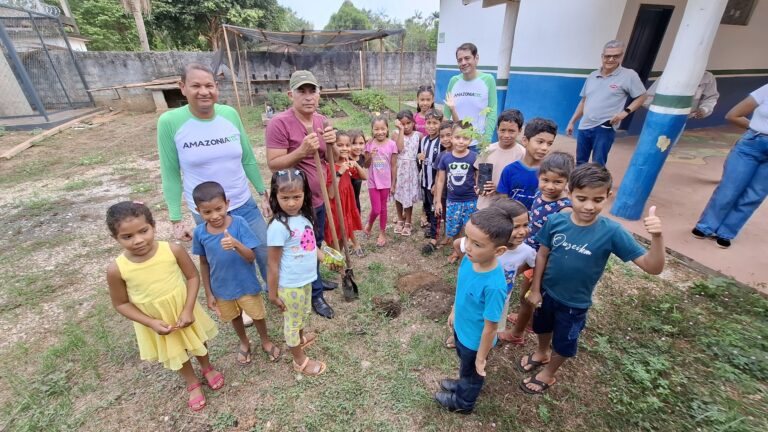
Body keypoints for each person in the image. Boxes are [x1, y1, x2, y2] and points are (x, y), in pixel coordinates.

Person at [520, 164, 664, 394]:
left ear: (608, 196)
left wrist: (657, 237)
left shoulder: (612, 232)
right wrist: (536, 288)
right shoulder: (556, 221)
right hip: (547, 292)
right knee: (542, 326)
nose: (589, 206)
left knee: (565, 343)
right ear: (569, 193)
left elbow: (652, 267)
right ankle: (541, 352)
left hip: (574, 303)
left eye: (597, 200)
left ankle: (548, 374)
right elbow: (543, 253)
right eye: (581, 198)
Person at [158, 63, 271, 326]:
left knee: (265, 250)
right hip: (207, 213)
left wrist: (264, 193)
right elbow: (170, 173)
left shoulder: (229, 114)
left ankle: (274, 292)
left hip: (242, 203)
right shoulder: (170, 122)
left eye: (209, 85)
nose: (203, 91)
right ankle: (239, 303)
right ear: (182, 87)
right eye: (196, 85)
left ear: (216, 88)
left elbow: (248, 159)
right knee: (225, 261)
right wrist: (176, 218)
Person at [105, 201, 221, 412]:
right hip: (156, 319)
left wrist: (188, 309)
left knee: (198, 340)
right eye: (127, 237)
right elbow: (121, 303)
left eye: (143, 231)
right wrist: (149, 322)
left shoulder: (172, 250)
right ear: (116, 238)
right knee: (174, 350)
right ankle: (191, 382)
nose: (138, 240)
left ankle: (207, 367)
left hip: (183, 307)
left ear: (153, 226)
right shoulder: (117, 269)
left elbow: (193, 277)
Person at [265, 70, 339, 319]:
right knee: (301, 246)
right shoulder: (279, 123)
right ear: (290, 94)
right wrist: (301, 151)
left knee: (315, 241)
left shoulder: (322, 121)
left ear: (319, 94)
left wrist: (333, 144)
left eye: (312, 91)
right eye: (301, 91)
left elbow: (334, 159)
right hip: (294, 202)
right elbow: (274, 164)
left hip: (318, 200)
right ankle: (315, 293)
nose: (308, 97)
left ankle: (316, 278)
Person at [434, 206, 516, 414]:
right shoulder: (470, 261)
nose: (468, 247)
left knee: (473, 373)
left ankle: (463, 403)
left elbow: (491, 328)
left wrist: (481, 357)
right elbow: (461, 288)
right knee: (465, 365)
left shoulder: (495, 286)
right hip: (462, 329)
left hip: (476, 342)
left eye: (477, 244)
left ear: (499, 251)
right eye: (467, 239)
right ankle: (464, 380)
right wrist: (454, 310)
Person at [191, 182, 281, 365]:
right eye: (207, 212)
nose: (215, 216)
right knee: (234, 317)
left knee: (257, 314)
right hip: (221, 288)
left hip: (246, 284)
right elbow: (204, 263)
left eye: (219, 208)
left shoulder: (239, 223)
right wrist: (209, 292)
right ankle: (244, 342)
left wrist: (236, 244)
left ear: (227, 203)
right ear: (198, 211)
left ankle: (265, 340)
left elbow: (251, 257)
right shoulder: (200, 233)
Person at [448, 198, 536, 348]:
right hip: (473, 295)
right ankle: (459, 337)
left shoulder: (526, 251)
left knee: (492, 324)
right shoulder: (480, 243)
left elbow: (534, 264)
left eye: (526, 225)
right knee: (467, 316)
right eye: (516, 227)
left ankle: (485, 345)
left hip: (500, 300)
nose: (522, 231)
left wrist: (516, 272)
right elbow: (457, 244)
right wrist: (470, 261)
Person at [507, 151, 574, 341]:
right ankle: (526, 321)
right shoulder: (539, 193)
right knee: (522, 291)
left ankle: (517, 333)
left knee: (527, 296)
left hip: (542, 259)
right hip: (528, 250)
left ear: (567, 182)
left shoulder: (565, 209)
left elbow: (560, 243)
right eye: (545, 180)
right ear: (539, 177)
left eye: (558, 182)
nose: (550, 186)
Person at [266, 169, 328, 376]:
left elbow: (311, 246)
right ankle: (299, 359)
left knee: (301, 314)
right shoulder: (278, 227)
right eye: (285, 198)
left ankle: (300, 340)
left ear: (305, 195)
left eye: (296, 197)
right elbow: (272, 264)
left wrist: (326, 258)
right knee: (292, 322)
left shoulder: (304, 218)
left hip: (306, 280)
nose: (291, 203)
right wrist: (273, 294)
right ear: (275, 197)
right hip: (289, 285)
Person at [692, 84, 768, 249]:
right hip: (751, 146)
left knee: (755, 195)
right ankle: (706, 226)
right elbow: (733, 115)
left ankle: (727, 233)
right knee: (730, 188)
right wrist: (758, 130)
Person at [566, 40, 647, 166]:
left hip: (604, 127)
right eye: (608, 56)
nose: (611, 59)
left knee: (598, 164)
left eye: (616, 56)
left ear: (621, 56)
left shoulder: (628, 75)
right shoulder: (592, 75)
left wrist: (624, 113)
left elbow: (642, 97)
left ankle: (595, 186)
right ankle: (579, 185)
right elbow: (584, 101)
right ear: (602, 56)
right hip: (585, 125)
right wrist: (572, 122)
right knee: (580, 162)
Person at [435, 121, 478, 264]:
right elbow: (440, 181)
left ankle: (468, 253)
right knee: (454, 228)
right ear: (452, 138)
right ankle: (457, 250)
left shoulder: (474, 157)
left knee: (469, 228)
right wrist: (438, 201)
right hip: (452, 200)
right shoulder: (445, 158)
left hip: (471, 200)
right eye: (458, 137)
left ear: (471, 140)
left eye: (465, 138)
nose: (461, 141)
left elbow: (478, 179)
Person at [443, 43, 498, 149]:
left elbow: (492, 112)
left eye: (467, 58)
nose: (463, 63)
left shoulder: (488, 80)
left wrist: (486, 140)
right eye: (460, 60)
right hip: (456, 143)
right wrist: (448, 141)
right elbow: (446, 114)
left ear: (476, 58)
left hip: (477, 144)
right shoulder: (453, 81)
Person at [497, 118, 558, 209]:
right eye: (540, 142)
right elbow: (503, 201)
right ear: (525, 141)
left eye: (549, 143)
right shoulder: (510, 170)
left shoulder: (550, 173)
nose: (545, 148)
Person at [475, 109, 526, 209]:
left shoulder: (522, 154)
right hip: (484, 205)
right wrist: (479, 187)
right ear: (497, 129)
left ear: (520, 131)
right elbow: (478, 171)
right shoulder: (487, 150)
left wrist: (499, 188)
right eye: (503, 130)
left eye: (511, 131)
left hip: (506, 208)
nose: (506, 135)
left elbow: (521, 183)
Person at [325, 130, 365, 256]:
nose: (345, 148)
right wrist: (340, 172)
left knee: (344, 233)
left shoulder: (347, 162)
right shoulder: (329, 166)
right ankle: (334, 257)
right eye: (340, 145)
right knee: (335, 234)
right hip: (335, 206)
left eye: (347, 145)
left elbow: (364, 177)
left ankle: (339, 257)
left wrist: (355, 164)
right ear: (333, 147)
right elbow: (331, 194)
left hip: (347, 203)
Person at [363, 115, 399, 247]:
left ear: (387, 129)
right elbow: (366, 165)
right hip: (373, 182)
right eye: (376, 129)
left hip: (386, 182)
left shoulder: (392, 145)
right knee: (376, 209)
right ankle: (370, 223)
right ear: (372, 130)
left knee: (383, 209)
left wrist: (393, 183)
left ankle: (382, 233)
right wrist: (370, 156)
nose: (380, 132)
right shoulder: (369, 144)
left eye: (382, 129)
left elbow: (394, 165)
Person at [418, 109, 444, 254]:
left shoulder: (441, 142)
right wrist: (419, 158)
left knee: (435, 210)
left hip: (435, 184)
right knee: (427, 207)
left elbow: (441, 166)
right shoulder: (424, 140)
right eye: (429, 123)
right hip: (425, 181)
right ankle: (430, 227)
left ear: (440, 124)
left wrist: (436, 183)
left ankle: (434, 237)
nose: (431, 126)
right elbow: (422, 160)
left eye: (435, 123)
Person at [393, 110, 422, 237]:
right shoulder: (395, 134)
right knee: (398, 194)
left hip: (411, 169)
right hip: (399, 168)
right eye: (403, 124)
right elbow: (399, 148)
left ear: (413, 122)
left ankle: (408, 221)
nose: (406, 126)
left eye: (408, 123)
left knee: (408, 195)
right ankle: (400, 218)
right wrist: (400, 131)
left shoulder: (419, 135)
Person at [644, 71, 719, 119]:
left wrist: (704, 109)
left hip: (683, 119)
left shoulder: (707, 77)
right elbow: (647, 99)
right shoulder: (669, 75)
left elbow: (711, 97)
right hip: (661, 117)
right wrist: (664, 111)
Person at [348, 130, 367, 213]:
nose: (358, 147)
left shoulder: (362, 157)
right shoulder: (346, 160)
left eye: (361, 143)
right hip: (346, 199)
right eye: (354, 143)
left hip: (356, 197)